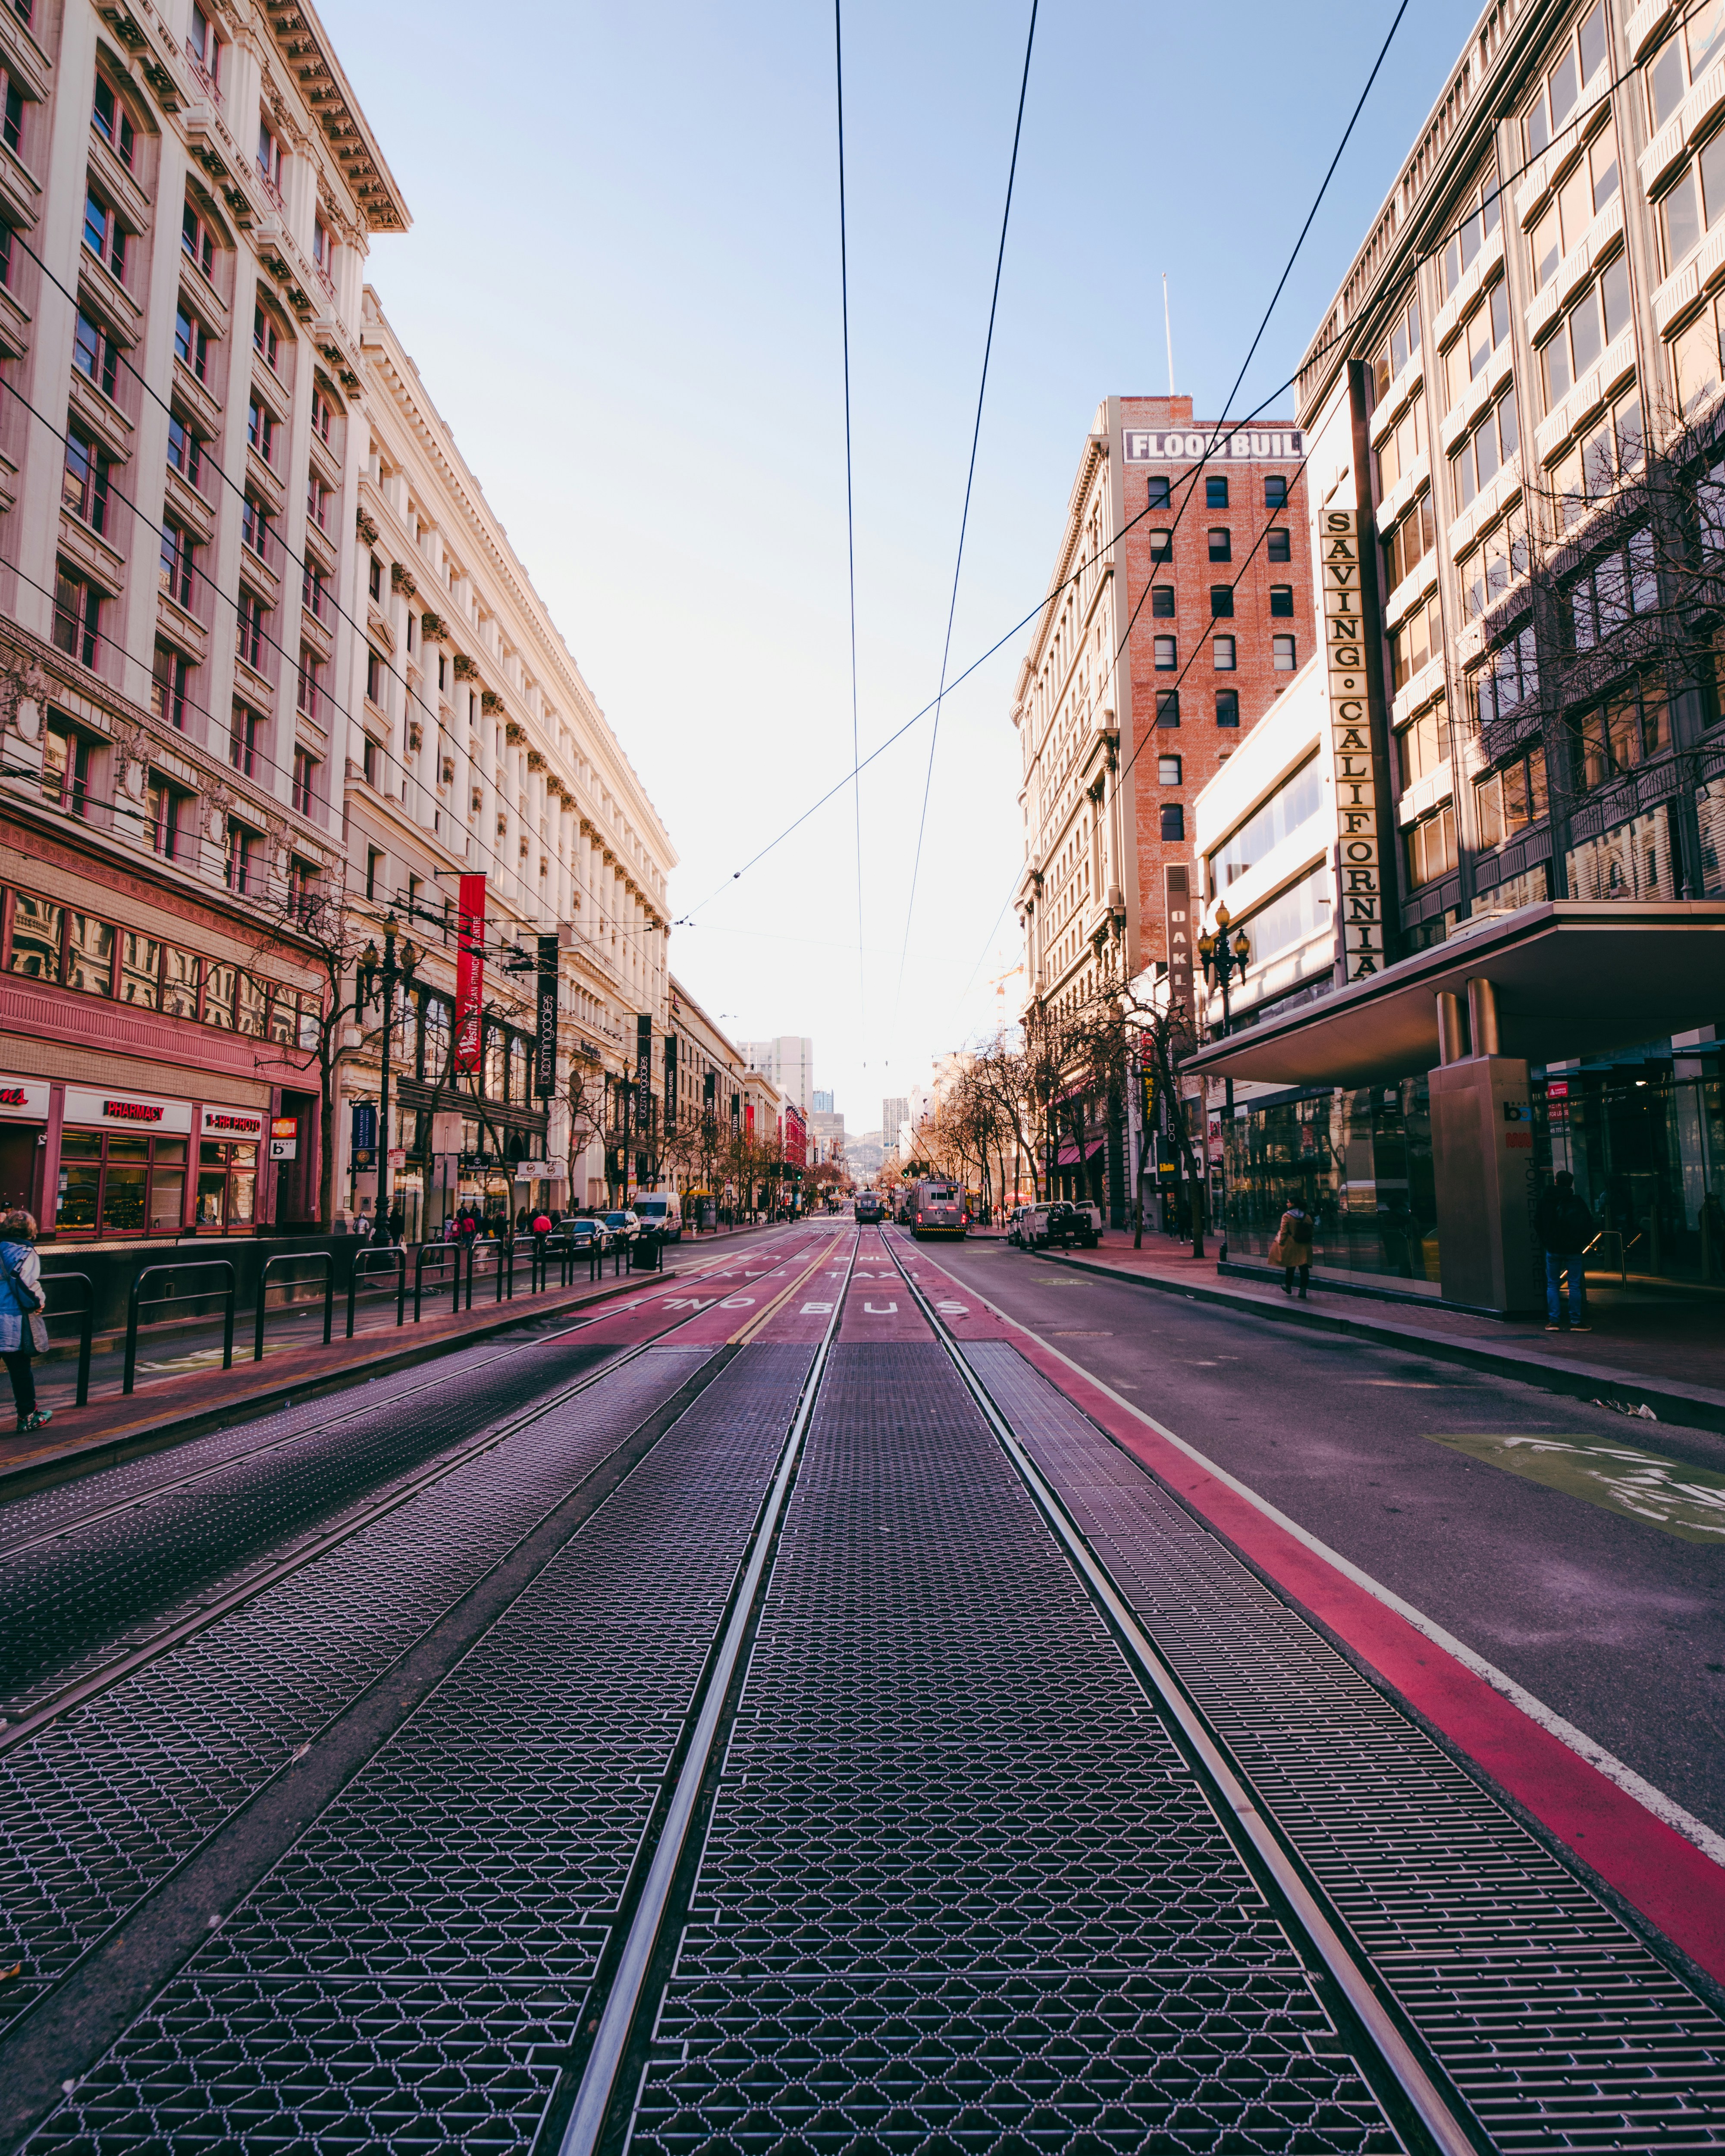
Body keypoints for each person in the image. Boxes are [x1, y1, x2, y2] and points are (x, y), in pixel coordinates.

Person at [0, 1208, 51, 1435]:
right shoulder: (24, 1253)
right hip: (11, 1319)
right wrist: (38, 1302)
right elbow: (26, 1285)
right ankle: (28, 1416)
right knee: (20, 1370)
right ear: (31, 1231)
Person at [1536, 1170, 1593, 1333]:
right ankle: (1576, 1322)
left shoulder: (1545, 1201)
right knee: (1574, 1285)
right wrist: (1582, 1243)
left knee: (1552, 1284)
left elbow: (1538, 1223)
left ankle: (1554, 1322)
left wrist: (1546, 1241)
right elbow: (1588, 1224)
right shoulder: (1576, 1202)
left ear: (1555, 1182)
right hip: (1574, 1249)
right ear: (1571, 1184)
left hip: (1553, 1248)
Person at [1271, 1194, 1316, 1299]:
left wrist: (1281, 1243)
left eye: (1288, 1202)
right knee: (1304, 1268)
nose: (1287, 1204)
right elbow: (1312, 1231)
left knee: (1290, 1266)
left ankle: (1288, 1285)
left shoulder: (1287, 1216)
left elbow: (1284, 1232)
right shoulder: (1307, 1216)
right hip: (1305, 1245)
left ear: (1293, 1204)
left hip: (1292, 1245)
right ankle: (1303, 1290)